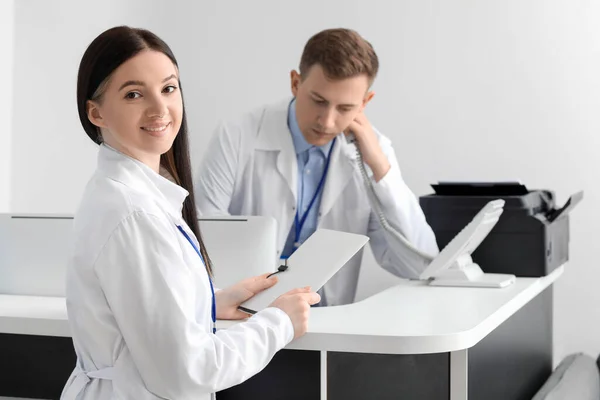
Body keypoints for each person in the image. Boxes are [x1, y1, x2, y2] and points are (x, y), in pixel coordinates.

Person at [62, 26, 320, 400]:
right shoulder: (134, 214)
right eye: (134, 94)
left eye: (168, 88)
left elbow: (136, 312)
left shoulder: (129, 194)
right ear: (96, 113)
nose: (159, 108)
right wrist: (278, 322)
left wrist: (209, 302)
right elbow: (187, 372)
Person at [195, 28, 440, 306]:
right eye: (318, 101)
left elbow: (419, 266)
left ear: (365, 103)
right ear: (295, 83)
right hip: (245, 323)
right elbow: (204, 238)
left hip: (327, 328)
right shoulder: (237, 135)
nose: (327, 121)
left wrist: (381, 170)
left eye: (345, 108)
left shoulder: (373, 154)